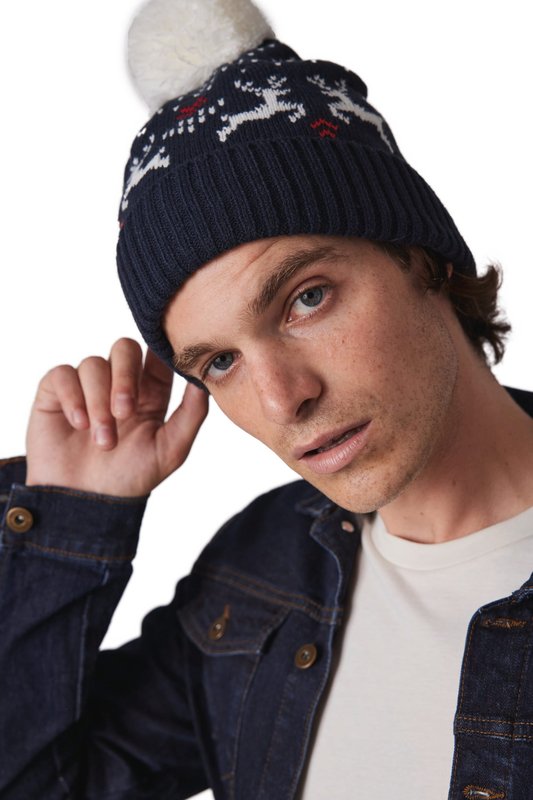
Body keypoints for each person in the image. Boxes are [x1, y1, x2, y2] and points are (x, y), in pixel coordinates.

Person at [1, 1, 533, 799]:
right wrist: (72, 518)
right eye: (219, 362)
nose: (282, 399)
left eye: (306, 299)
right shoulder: (262, 567)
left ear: (421, 257)